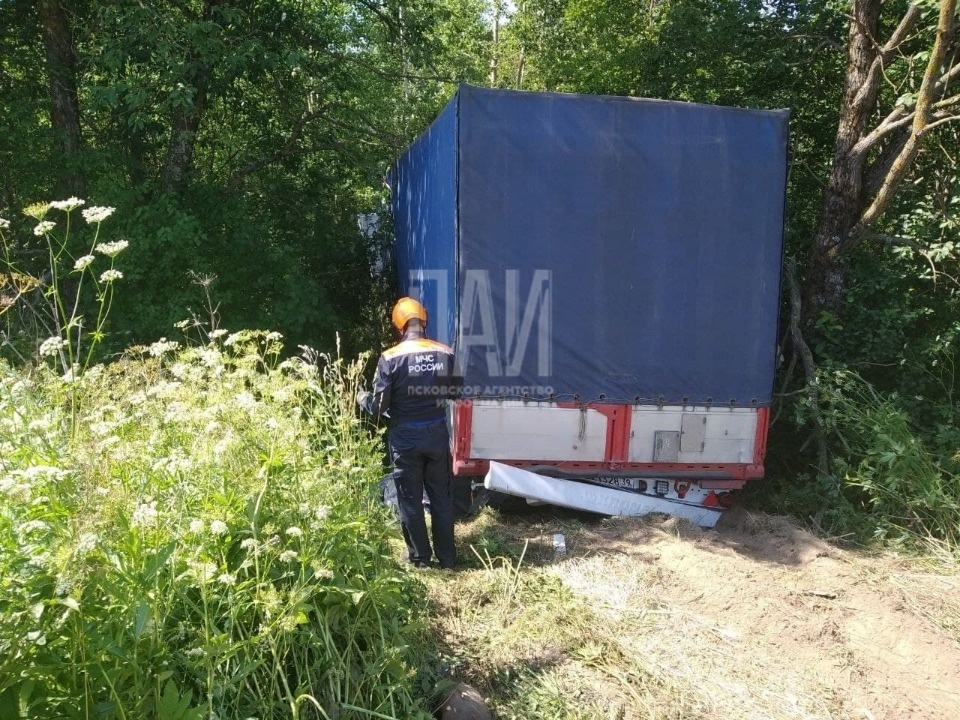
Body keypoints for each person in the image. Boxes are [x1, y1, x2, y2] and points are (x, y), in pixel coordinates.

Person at [357, 297, 459, 569]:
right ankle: (448, 559)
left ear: (398, 325)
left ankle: (420, 558)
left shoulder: (390, 358)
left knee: (410, 499)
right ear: (424, 320)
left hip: (405, 439)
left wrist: (362, 398)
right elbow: (456, 392)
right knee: (441, 497)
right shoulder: (445, 352)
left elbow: (378, 407)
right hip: (436, 434)